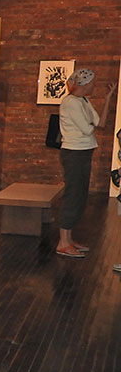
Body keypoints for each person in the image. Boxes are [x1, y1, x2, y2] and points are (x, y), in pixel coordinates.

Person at [56, 69, 117, 258]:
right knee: (73, 194)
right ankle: (63, 243)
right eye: (92, 82)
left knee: (80, 195)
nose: (94, 85)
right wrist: (90, 125)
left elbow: (100, 123)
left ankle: (69, 239)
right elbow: (86, 129)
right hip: (74, 153)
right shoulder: (70, 103)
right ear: (84, 83)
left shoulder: (83, 101)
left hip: (83, 151)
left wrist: (108, 99)